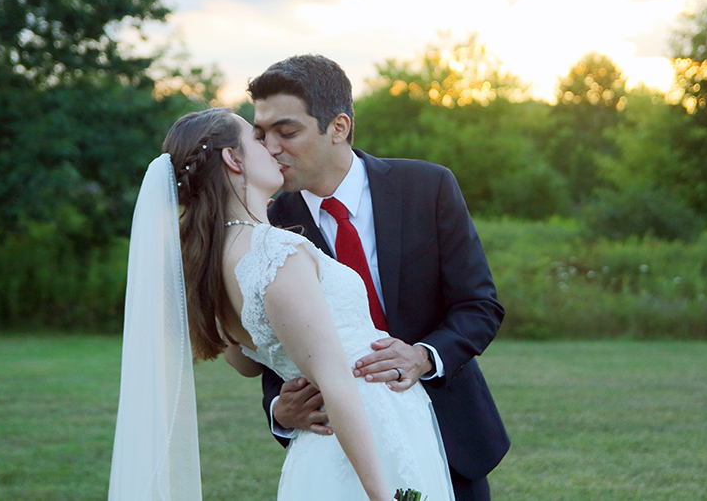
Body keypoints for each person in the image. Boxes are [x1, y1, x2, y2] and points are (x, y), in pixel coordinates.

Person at [107, 108, 455, 501]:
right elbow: (336, 381)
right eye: (256, 139)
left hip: (330, 440)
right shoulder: (275, 250)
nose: (271, 147)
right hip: (365, 440)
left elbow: (244, 361)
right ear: (232, 159)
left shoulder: (208, 264)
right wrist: (380, 495)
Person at [248, 55, 510, 501]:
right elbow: (272, 343)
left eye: (286, 132)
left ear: (339, 127)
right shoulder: (266, 227)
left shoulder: (428, 187)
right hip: (337, 450)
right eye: (260, 134)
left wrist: (423, 356)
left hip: (449, 434)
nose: (270, 147)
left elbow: (479, 305)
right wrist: (279, 408)